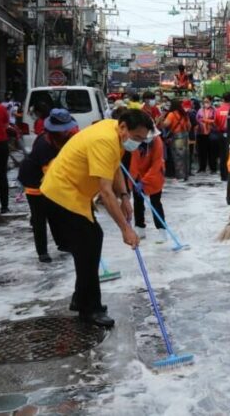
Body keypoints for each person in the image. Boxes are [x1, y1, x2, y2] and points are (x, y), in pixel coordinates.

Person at [40, 110, 153, 327]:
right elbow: (105, 192)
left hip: (76, 194)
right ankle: (89, 309)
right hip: (61, 194)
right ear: (123, 128)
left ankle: (81, 298)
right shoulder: (104, 140)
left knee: (90, 244)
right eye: (137, 138)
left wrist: (125, 196)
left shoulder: (115, 133)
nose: (138, 144)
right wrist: (125, 230)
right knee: (89, 245)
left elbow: (114, 168)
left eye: (142, 139)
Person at [18, 109, 78, 262]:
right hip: (34, 182)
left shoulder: (62, 139)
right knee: (39, 217)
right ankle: (42, 251)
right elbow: (51, 174)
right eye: (64, 129)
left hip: (51, 180)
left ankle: (63, 243)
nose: (67, 131)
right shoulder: (44, 144)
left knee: (56, 213)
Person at [129, 129, 166, 241]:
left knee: (155, 203)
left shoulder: (157, 141)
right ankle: (140, 230)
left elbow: (156, 163)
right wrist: (134, 179)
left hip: (155, 176)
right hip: (138, 176)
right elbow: (133, 162)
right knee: (138, 202)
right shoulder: (135, 140)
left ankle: (162, 231)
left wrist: (145, 181)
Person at [162, 98, 191, 181]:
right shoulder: (184, 114)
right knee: (185, 156)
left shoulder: (171, 114)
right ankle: (186, 175)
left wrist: (160, 120)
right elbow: (189, 126)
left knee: (178, 157)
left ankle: (180, 176)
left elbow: (165, 125)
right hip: (185, 136)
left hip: (177, 137)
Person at [196, 96, 219, 173]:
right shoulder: (200, 110)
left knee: (212, 152)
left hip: (211, 133)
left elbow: (216, 121)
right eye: (204, 101)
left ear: (211, 101)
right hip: (201, 133)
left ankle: (213, 168)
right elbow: (197, 119)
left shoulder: (214, 110)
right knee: (202, 151)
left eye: (207, 101)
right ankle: (202, 167)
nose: (206, 103)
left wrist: (206, 120)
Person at [216, 92, 230, 181]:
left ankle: (223, 176)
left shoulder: (218, 110)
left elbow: (216, 122)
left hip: (221, 134)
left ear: (223, 99)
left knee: (222, 155)